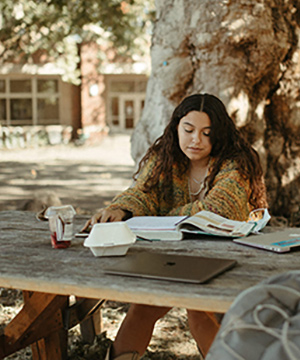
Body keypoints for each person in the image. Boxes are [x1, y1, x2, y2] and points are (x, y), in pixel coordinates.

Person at [84, 93, 267, 360]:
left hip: (226, 257)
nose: (196, 140)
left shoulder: (236, 161)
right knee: (143, 308)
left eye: (207, 133)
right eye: (189, 130)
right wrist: (120, 209)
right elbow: (144, 193)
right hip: (173, 255)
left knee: (197, 310)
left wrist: (159, 219)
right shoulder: (166, 155)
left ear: (220, 134)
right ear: (176, 127)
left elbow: (218, 210)